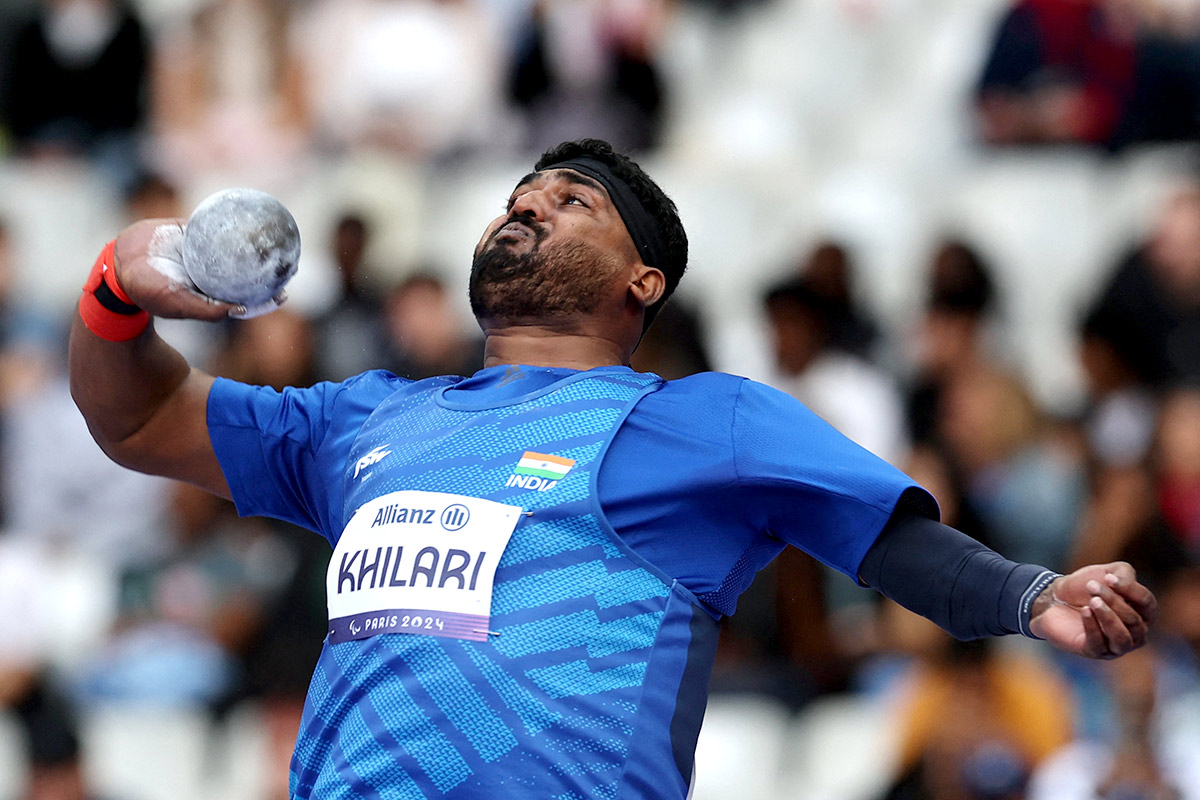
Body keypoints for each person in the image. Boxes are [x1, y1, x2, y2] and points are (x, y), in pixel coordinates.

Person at [68, 138, 1156, 800]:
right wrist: (119, 286)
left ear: (641, 281)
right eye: (518, 196)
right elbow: (147, 416)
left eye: (568, 200)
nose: (525, 205)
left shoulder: (702, 420)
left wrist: (1034, 594)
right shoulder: (365, 420)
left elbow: (887, 538)